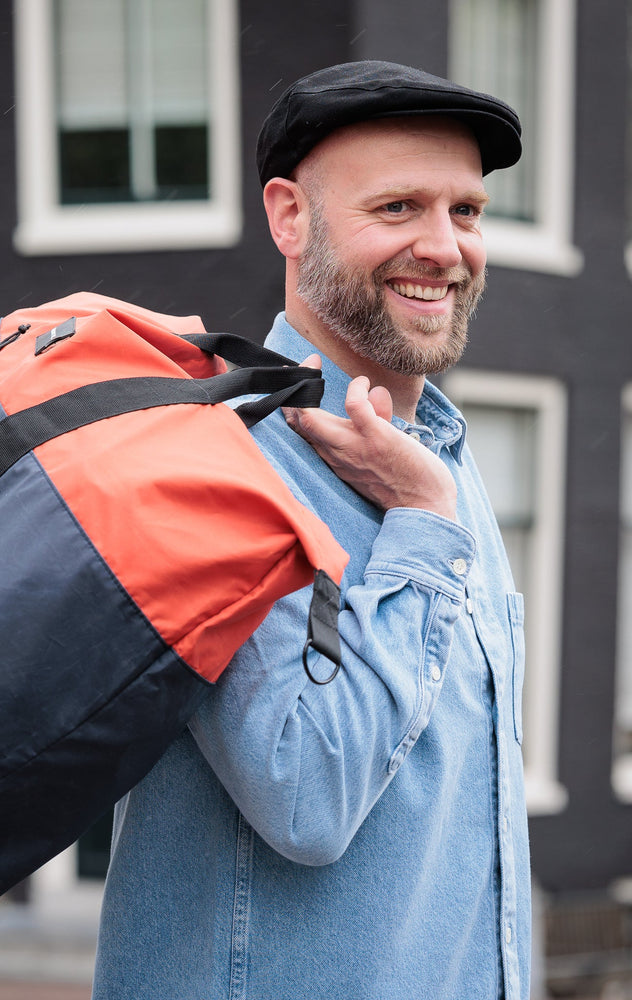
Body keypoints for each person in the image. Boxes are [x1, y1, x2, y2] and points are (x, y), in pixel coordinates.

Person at [91, 61, 530, 999]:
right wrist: (419, 526)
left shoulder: (447, 465)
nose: (445, 248)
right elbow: (306, 796)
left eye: (467, 211)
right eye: (399, 207)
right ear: (290, 218)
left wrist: (428, 508)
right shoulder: (214, 464)